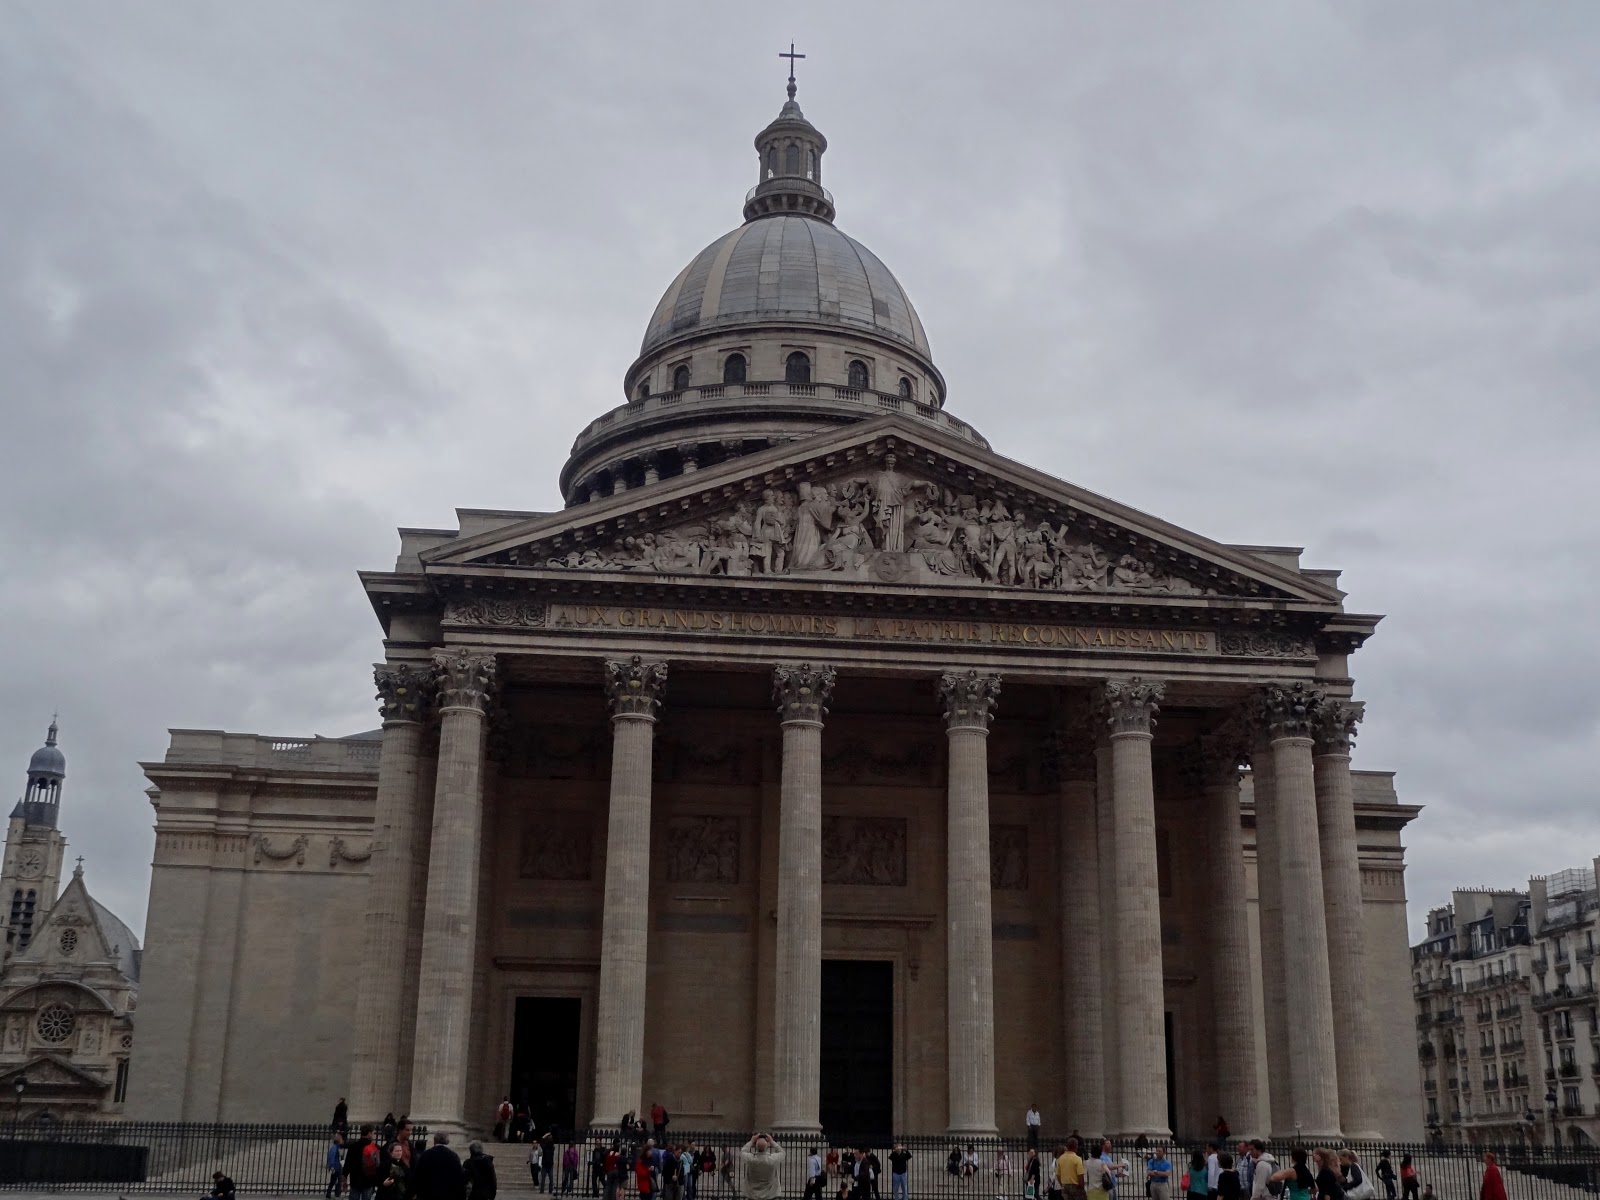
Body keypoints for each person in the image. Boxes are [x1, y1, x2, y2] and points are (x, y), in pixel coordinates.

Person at [413, 1133, 466, 1200]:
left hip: (427, 1194)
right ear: (447, 1142)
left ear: (435, 1140)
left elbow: (418, 1175)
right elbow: (460, 1178)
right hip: (448, 1194)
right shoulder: (453, 1156)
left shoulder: (426, 1154)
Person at [741, 1134, 786, 1200]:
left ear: (755, 1146)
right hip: (770, 1195)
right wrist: (772, 1141)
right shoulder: (772, 1159)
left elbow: (743, 1151)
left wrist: (751, 1141)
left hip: (752, 1195)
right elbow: (782, 1153)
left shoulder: (751, 1159)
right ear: (767, 1147)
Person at [344, 1126, 382, 1200]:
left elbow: (348, 1162)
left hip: (355, 1178)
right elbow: (378, 1163)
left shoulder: (353, 1146)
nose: (374, 1135)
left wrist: (344, 1175)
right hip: (368, 1179)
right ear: (369, 1133)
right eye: (373, 1133)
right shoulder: (374, 1147)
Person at [327, 1133, 346, 1199]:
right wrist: (332, 1167)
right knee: (337, 1180)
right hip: (336, 1167)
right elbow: (331, 1157)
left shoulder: (337, 1147)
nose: (342, 1140)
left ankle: (330, 1194)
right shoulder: (335, 1148)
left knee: (334, 1181)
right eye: (341, 1139)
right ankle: (336, 1194)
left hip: (337, 1166)